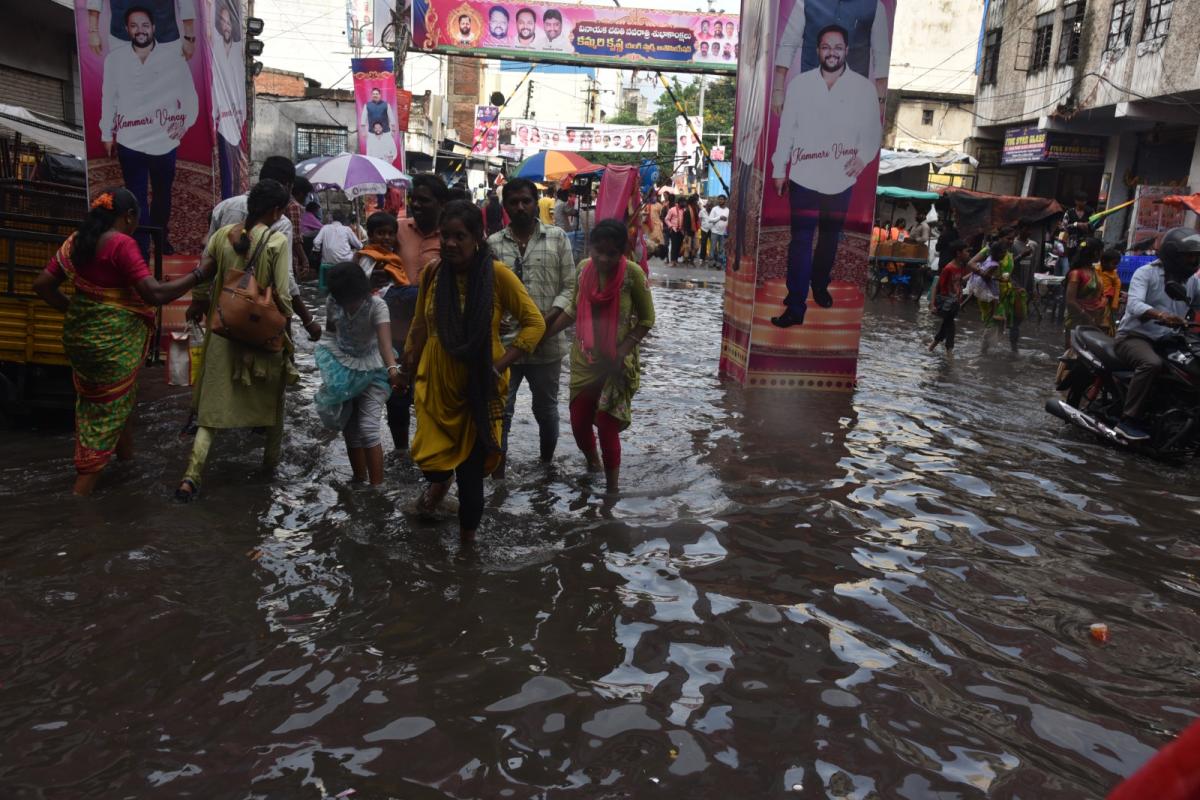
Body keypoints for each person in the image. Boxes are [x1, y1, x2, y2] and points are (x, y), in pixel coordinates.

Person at [32, 188, 215, 495]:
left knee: (117, 401)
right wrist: (199, 274)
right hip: (112, 346)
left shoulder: (76, 241)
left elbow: (43, 285)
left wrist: (80, 310)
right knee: (107, 414)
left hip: (80, 338)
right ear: (129, 217)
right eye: (135, 219)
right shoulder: (121, 245)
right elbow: (154, 294)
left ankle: (127, 461)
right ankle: (80, 497)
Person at [402, 200, 545, 542]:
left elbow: (534, 323)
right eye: (446, 236)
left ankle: (468, 548)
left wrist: (500, 365)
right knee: (431, 462)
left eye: (460, 236)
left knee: (470, 478)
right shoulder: (434, 274)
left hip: (480, 385)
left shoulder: (497, 275)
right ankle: (439, 492)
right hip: (437, 383)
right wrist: (404, 366)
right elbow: (420, 323)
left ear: (477, 239)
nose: (450, 244)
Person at [176, 180, 296, 500]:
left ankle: (191, 476)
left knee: (211, 412)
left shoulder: (221, 235)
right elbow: (282, 295)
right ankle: (269, 470)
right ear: (275, 211)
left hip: (223, 331)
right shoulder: (277, 241)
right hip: (260, 337)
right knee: (272, 406)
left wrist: (199, 303)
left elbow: (203, 280)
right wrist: (288, 327)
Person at [770, 25, 882, 328]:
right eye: (825, 47)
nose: (831, 52)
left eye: (837, 47)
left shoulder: (863, 88)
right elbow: (787, 131)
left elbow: (874, 131)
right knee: (800, 241)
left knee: (830, 238)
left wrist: (863, 156)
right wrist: (780, 169)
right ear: (818, 50)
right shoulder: (799, 85)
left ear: (846, 51)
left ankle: (819, 284)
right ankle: (795, 306)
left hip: (840, 180)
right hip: (803, 177)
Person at [540, 220, 656, 494]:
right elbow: (572, 308)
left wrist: (623, 351)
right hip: (584, 359)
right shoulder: (583, 270)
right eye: (598, 251)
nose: (603, 259)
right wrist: (543, 335)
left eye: (611, 253)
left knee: (606, 426)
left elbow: (647, 320)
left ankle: (612, 492)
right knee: (579, 423)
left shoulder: (633, 276)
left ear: (623, 252)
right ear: (590, 248)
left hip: (616, 364)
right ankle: (594, 464)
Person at [488, 178, 576, 475]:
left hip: (547, 343)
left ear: (536, 202)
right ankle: (498, 472)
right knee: (501, 411)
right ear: (506, 207)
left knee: (546, 410)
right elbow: (488, 294)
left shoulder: (557, 238)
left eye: (526, 200)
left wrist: (541, 326)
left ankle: (546, 465)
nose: (521, 207)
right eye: (514, 202)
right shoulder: (493, 244)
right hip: (505, 346)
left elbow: (569, 288)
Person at [100, 6, 199, 257]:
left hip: (164, 142)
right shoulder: (115, 60)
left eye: (145, 25)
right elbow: (108, 97)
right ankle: (142, 251)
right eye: (134, 26)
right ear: (127, 30)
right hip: (129, 142)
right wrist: (105, 133)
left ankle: (160, 237)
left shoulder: (173, 58)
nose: (140, 31)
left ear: (154, 28)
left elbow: (190, 97)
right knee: (137, 198)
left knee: (163, 194)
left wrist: (184, 123)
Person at [205, 157, 321, 340]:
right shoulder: (280, 223)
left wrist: (198, 299)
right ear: (288, 186)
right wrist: (306, 320)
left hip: (222, 308)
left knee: (220, 361)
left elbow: (206, 265)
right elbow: (285, 285)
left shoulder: (223, 209)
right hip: (258, 316)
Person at [314, 262, 404, 485]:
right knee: (350, 428)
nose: (349, 305)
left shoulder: (377, 306)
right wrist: (330, 367)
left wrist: (393, 370)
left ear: (363, 291)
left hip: (374, 369)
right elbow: (331, 334)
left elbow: (385, 344)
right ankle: (358, 480)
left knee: (368, 426)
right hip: (343, 368)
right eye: (344, 300)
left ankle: (377, 487)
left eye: (353, 299)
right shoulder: (333, 302)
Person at [1112, 228, 1200, 441]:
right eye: (1190, 256)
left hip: (1169, 340)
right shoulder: (1146, 273)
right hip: (1135, 337)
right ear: (1173, 255)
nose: (1194, 261)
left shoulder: (1192, 281)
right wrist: (1160, 315)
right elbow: (1134, 305)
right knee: (1151, 363)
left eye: (1197, 257)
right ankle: (1128, 420)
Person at [387, 175, 449, 453]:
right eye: (414, 199)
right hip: (398, 331)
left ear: (442, 203)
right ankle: (401, 453)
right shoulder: (396, 230)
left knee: (432, 399)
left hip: (436, 336)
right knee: (397, 399)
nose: (417, 205)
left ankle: (429, 454)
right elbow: (370, 259)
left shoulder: (453, 236)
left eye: (425, 200)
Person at [771, 0, 891, 117]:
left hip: (853, 98)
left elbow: (881, 54)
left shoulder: (875, 6)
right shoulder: (805, 2)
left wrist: (880, 99)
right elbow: (788, 44)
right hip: (810, 95)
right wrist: (778, 90)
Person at [210, 0, 245, 200]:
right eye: (222, 22)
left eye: (229, 22)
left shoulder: (237, 49)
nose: (226, 26)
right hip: (219, 117)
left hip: (232, 117)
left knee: (232, 167)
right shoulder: (215, 47)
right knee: (224, 165)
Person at [1063, 241, 1108, 349]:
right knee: (1073, 353)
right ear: (1095, 253)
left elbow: (1100, 293)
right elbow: (1070, 301)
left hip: (1096, 318)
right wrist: (1086, 316)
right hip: (1078, 319)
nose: (1103, 254)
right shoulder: (1076, 274)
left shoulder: (1093, 271)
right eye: (1101, 251)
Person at [928, 240, 967, 354]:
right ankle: (949, 352)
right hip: (946, 304)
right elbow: (936, 286)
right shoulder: (948, 268)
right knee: (950, 327)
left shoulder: (961, 267)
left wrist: (974, 273)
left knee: (946, 325)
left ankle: (931, 347)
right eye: (966, 251)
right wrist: (932, 304)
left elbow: (960, 282)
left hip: (954, 303)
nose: (968, 254)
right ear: (958, 253)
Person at [1062, 190, 1095, 264]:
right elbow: (1064, 226)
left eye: (1084, 201)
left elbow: (1094, 225)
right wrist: (1077, 224)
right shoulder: (1069, 212)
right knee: (1072, 261)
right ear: (1076, 201)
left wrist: (1086, 225)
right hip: (1072, 241)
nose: (1082, 203)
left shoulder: (1090, 212)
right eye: (1080, 201)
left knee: (1084, 261)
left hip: (1086, 241)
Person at [1096, 248, 1123, 335]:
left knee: (1105, 323)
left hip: (1106, 302)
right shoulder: (1095, 270)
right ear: (1103, 262)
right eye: (1114, 263)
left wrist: (1114, 305)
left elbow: (1117, 288)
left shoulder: (1114, 275)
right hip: (1094, 299)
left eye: (1117, 264)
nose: (1115, 266)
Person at [709, 194, 729, 268]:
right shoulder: (715, 209)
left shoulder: (728, 210)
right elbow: (710, 220)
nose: (720, 201)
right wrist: (719, 217)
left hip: (723, 232)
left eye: (722, 199)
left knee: (721, 248)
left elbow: (729, 221)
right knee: (713, 247)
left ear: (725, 200)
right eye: (719, 199)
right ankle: (712, 261)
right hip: (714, 232)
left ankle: (719, 263)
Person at [665, 197, 686, 264]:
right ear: (679, 203)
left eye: (684, 202)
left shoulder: (684, 210)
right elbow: (666, 219)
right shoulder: (672, 209)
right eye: (682, 202)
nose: (684, 204)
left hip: (681, 231)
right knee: (674, 245)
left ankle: (676, 259)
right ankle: (673, 260)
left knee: (679, 245)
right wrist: (670, 226)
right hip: (674, 229)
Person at [698, 198, 714, 264]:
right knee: (703, 244)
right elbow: (699, 219)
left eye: (710, 206)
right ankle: (702, 258)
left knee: (712, 244)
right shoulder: (702, 211)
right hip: (704, 229)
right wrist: (700, 226)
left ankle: (711, 258)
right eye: (708, 205)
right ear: (706, 206)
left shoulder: (714, 211)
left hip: (712, 230)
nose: (709, 207)